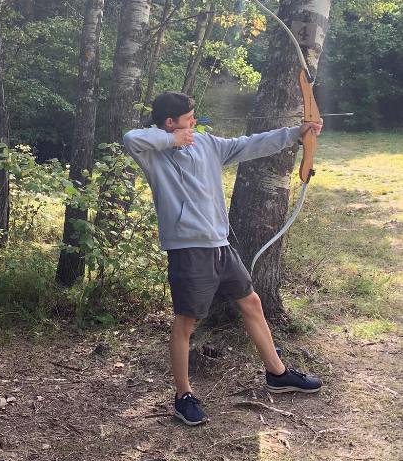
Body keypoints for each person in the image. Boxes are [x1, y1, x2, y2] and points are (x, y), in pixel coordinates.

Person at [123, 91, 324, 426]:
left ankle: (277, 374)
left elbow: (249, 145)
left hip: (220, 244)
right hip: (187, 249)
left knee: (252, 302)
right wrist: (172, 140)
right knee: (186, 323)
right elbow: (131, 138)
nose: (194, 122)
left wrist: (295, 133)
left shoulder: (206, 144)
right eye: (188, 118)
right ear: (169, 122)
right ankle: (183, 397)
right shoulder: (154, 154)